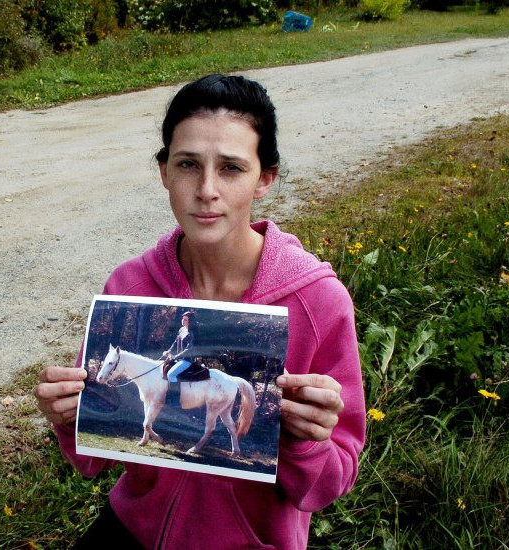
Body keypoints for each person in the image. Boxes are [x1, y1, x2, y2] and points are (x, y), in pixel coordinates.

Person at [35, 73, 366, 549]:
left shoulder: (318, 302)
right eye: (188, 164)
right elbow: (92, 462)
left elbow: (328, 485)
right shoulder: (129, 285)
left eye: (231, 168)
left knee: (184, 374)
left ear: (265, 179)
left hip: (250, 542)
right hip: (136, 527)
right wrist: (69, 417)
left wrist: (306, 441)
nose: (206, 189)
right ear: (165, 171)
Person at [162, 311, 197, 382]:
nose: (183, 321)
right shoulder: (181, 329)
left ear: (190, 321)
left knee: (170, 375)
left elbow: (188, 350)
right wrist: (168, 351)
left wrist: (175, 357)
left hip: (186, 360)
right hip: (179, 359)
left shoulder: (191, 333)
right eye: (182, 319)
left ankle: (175, 393)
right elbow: (175, 342)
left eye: (185, 320)